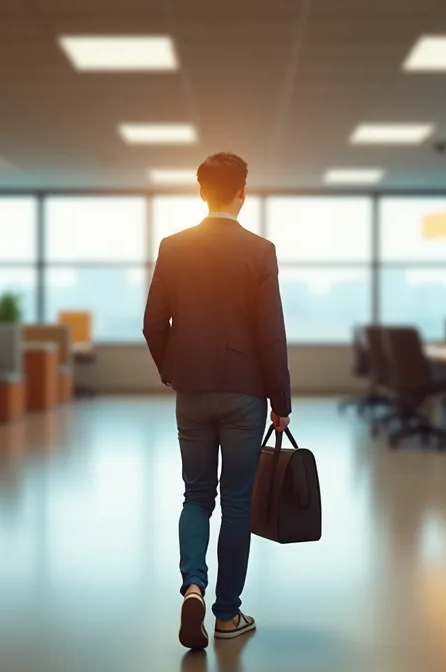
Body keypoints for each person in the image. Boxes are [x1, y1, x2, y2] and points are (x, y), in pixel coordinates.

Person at [143, 152, 292, 651]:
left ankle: (192, 586)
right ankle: (227, 615)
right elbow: (271, 335)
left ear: (202, 192)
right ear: (242, 192)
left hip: (192, 392)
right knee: (237, 505)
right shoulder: (260, 250)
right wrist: (281, 400)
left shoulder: (173, 247)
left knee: (196, 496)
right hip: (245, 393)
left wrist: (174, 371)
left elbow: (152, 323)